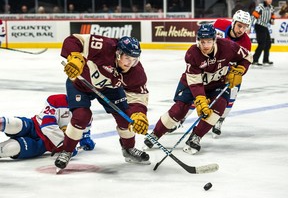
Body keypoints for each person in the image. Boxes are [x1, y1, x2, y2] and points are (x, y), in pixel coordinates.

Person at [144, 24, 252, 154]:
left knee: (219, 107)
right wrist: (200, 100)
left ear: (214, 40)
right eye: (202, 42)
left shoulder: (228, 47)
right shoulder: (192, 53)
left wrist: (241, 70)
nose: (206, 46)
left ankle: (196, 137)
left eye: (209, 41)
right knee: (180, 109)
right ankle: (156, 134)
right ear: (198, 40)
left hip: (218, 84)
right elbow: (195, 82)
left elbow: (247, 56)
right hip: (192, 84)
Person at [55, 35, 150, 170]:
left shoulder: (136, 73)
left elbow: (138, 97)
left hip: (109, 89)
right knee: (81, 116)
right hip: (80, 82)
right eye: (127, 58)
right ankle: (67, 151)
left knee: (126, 118)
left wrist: (138, 114)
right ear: (118, 54)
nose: (130, 63)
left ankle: (129, 149)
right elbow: (74, 40)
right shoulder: (103, 46)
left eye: (134, 59)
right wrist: (75, 58)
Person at [0, 94, 95, 159]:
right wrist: (67, 146)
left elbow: (84, 130)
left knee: (11, 148)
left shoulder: (87, 115)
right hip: (34, 125)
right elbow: (47, 126)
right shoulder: (57, 100)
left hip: (43, 145)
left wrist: (85, 138)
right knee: (12, 124)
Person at [251, 0, 276, 66]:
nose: (270, 0)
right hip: (259, 26)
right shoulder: (260, 7)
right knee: (261, 44)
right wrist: (249, 27)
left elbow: (272, 15)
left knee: (268, 43)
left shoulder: (271, 7)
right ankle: (254, 60)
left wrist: (272, 20)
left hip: (265, 26)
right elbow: (254, 17)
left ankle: (265, 60)